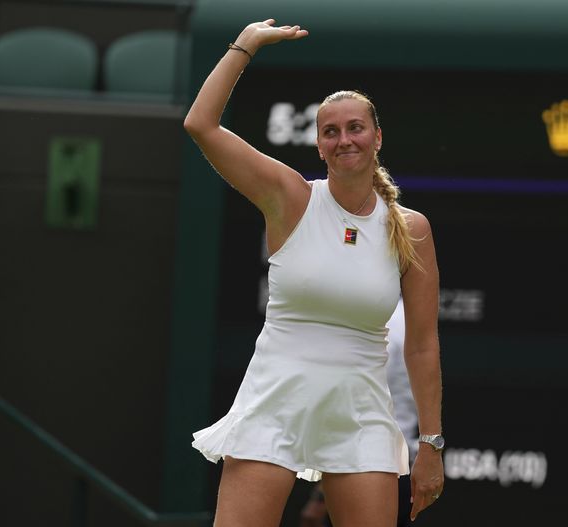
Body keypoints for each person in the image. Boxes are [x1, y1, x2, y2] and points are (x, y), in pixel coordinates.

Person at [183, 18, 444, 527]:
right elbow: (201, 125)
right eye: (331, 131)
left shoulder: (411, 229)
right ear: (319, 144)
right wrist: (246, 46)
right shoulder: (290, 197)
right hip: (276, 399)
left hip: (361, 412)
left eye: (355, 128)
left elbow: (422, 344)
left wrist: (430, 444)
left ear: (376, 137)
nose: (344, 139)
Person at [300, 297, 418, 527]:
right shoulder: (408, 317)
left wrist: (320, 498)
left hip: (369, 468)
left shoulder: (383, 319)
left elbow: (356, 412)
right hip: (392, 466)